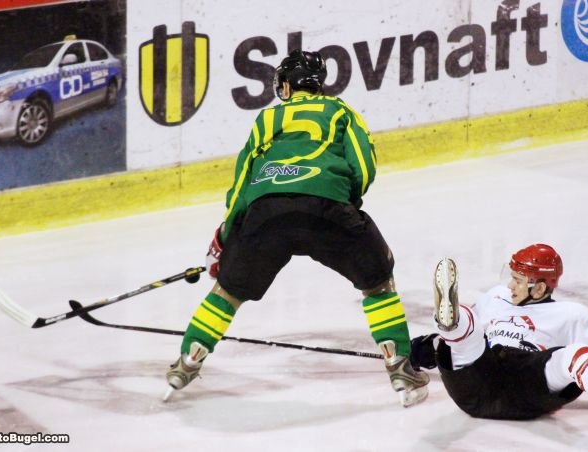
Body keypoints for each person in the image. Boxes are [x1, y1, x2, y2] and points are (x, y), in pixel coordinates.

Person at [164, 50, 429, 407]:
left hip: (266, 215)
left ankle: (187, 361)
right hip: (329, 209)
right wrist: (342, 201)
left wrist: (226, 237)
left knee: (226, 292)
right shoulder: (342, 112)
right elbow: (364, 166)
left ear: (286, 86)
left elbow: (242, 183)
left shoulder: (267, 117)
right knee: (378, 283)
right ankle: (399, 367)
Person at [410, 244, 588, 419]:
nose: (510, 285)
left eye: (518, 280)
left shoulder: (571, 314)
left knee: (575, 355)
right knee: (467, 326)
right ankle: (449, 322)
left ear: (539, 288)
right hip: (477, 379)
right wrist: (419, 349)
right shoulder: (496, 297)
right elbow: (466, 342)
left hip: (526, 384)